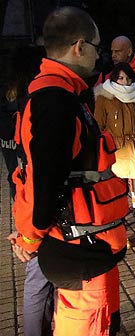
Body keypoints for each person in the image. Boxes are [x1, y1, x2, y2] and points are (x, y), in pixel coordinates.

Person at [12, 7, 129, 336]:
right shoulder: (55, 101)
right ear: (80, 46)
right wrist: (31, 238)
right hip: (81, 254)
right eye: (97, 47)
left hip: (87, 251)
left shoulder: (62, 95)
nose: (99, 55)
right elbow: (44, 181)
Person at [3, 46, 55, 336]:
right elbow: (40, 175)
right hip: (36, 210)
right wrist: (29, 236)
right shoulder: (36, 109)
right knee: (38, 284)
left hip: (23, 203)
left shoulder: (12, 112)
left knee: (38, 283)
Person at [94, 62, 135, 247]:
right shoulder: (105, 97)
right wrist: (105, 150)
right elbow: (99, 126)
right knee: (119, 195)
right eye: (120, 78)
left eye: (128, 78)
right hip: (117, 152)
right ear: (113, 78)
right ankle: (123, 233)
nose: (125, 82)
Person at [96, 36, 135, 113]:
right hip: (113, 122)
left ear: (129, 52)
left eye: (117, 51)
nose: (113, 55)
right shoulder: (106, 71)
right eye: (112, 51)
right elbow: (96, 96)